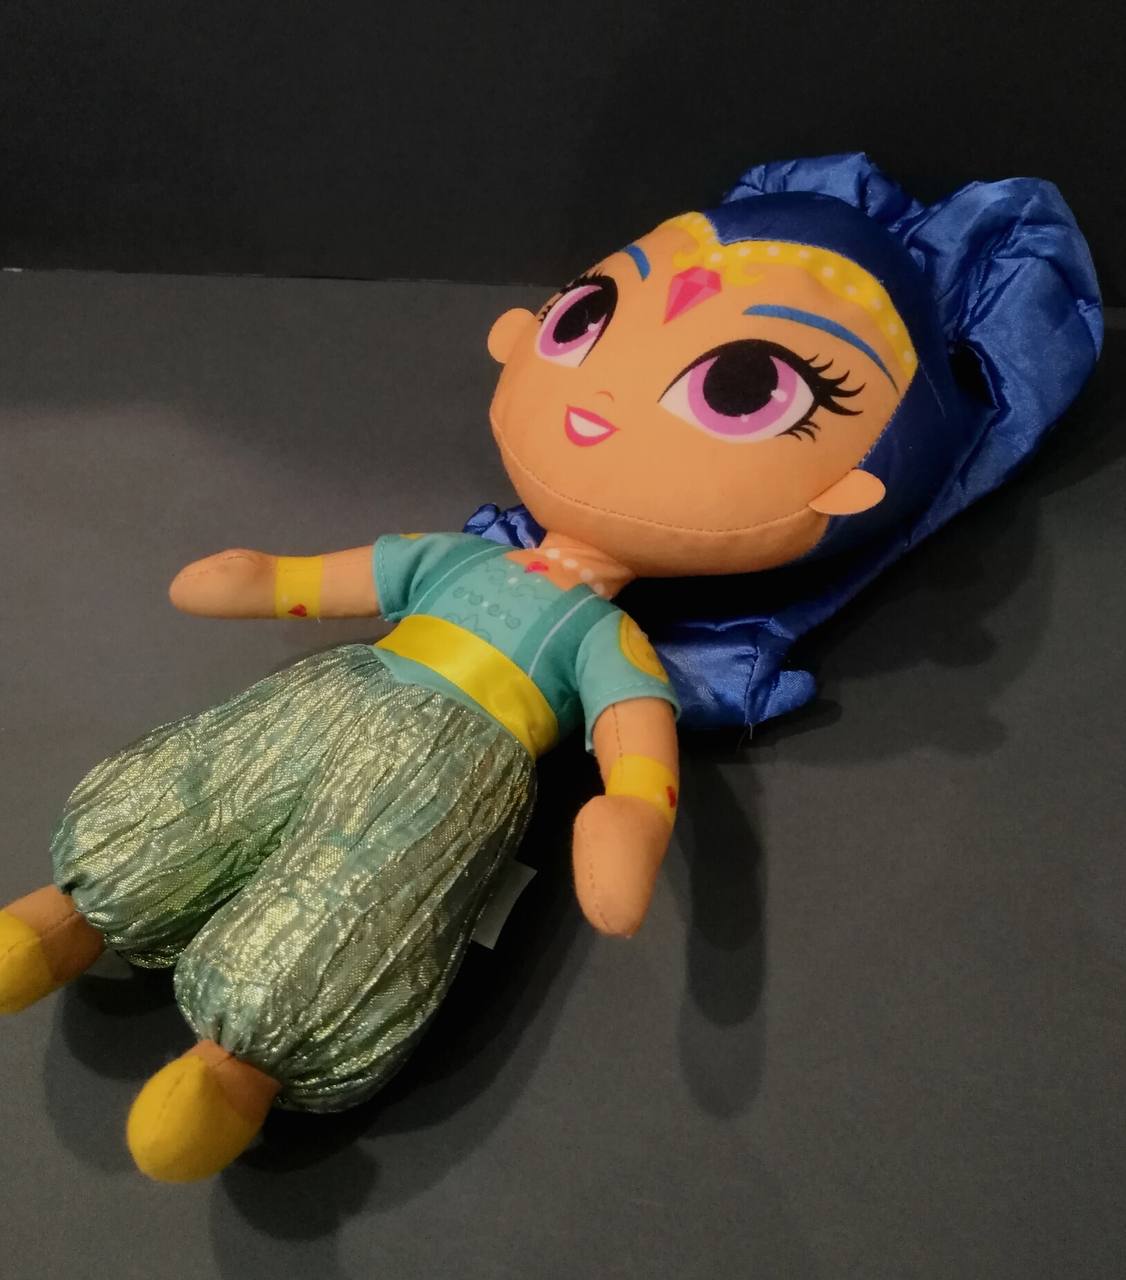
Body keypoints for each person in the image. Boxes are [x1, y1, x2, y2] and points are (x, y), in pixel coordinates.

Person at [0, 154, 1100, 1183]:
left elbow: (632, 733)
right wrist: (267, 577)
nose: (601, 400)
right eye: (588, 316)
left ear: (853, 484)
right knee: (204, 785)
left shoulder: (602, 640)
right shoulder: (458, 557)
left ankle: (237, 1065)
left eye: (741, 386)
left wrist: (631, 815)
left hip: (450, 777)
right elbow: (346, 574)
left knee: (360, 886)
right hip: (332, 697)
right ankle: (74, 911)